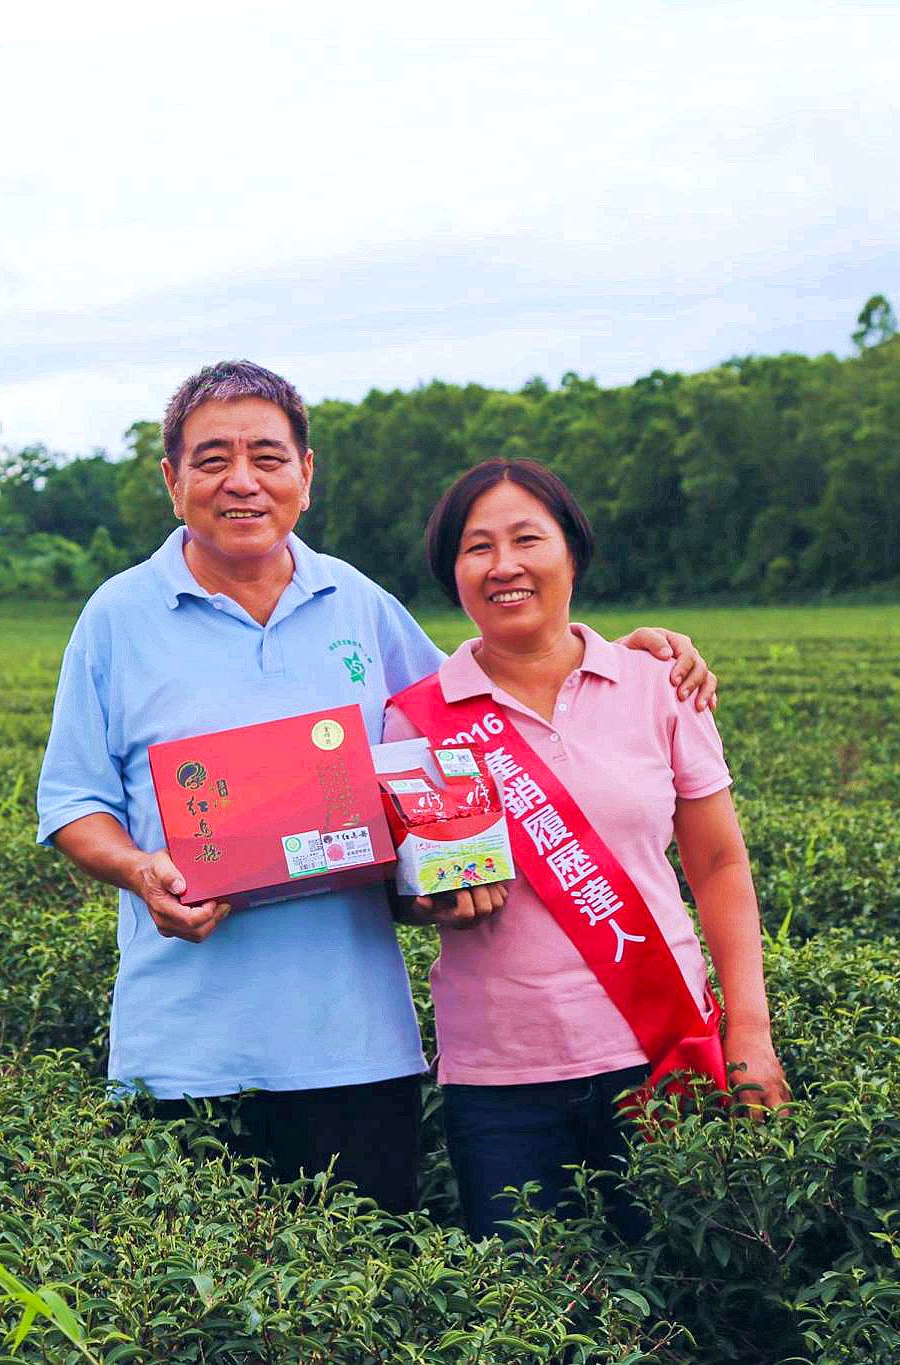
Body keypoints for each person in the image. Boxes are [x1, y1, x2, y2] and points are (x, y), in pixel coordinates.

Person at [35, 361, 718, 1214]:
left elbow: (482, 711)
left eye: (268, 457)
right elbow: (71, 802)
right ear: (172, 481)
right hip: (183, 1049)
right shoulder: (115, 617)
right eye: (212, 460)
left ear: (307, 475)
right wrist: (139, 869)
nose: (241, 480)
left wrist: (617, 652)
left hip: (359, 1052)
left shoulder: (355, 602)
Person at [381, 457, 792, 1241]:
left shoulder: (658, 684)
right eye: (476, 548)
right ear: (453, 575)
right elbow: (404, 891)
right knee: (526, 1316)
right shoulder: (417, 721)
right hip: (501, 1086)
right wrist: (427, 900)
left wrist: (751, 1031)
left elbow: (718, 866)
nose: (504, 565)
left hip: (663, 1053)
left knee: (683, 1298)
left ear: (572, 552)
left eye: (527, 538)